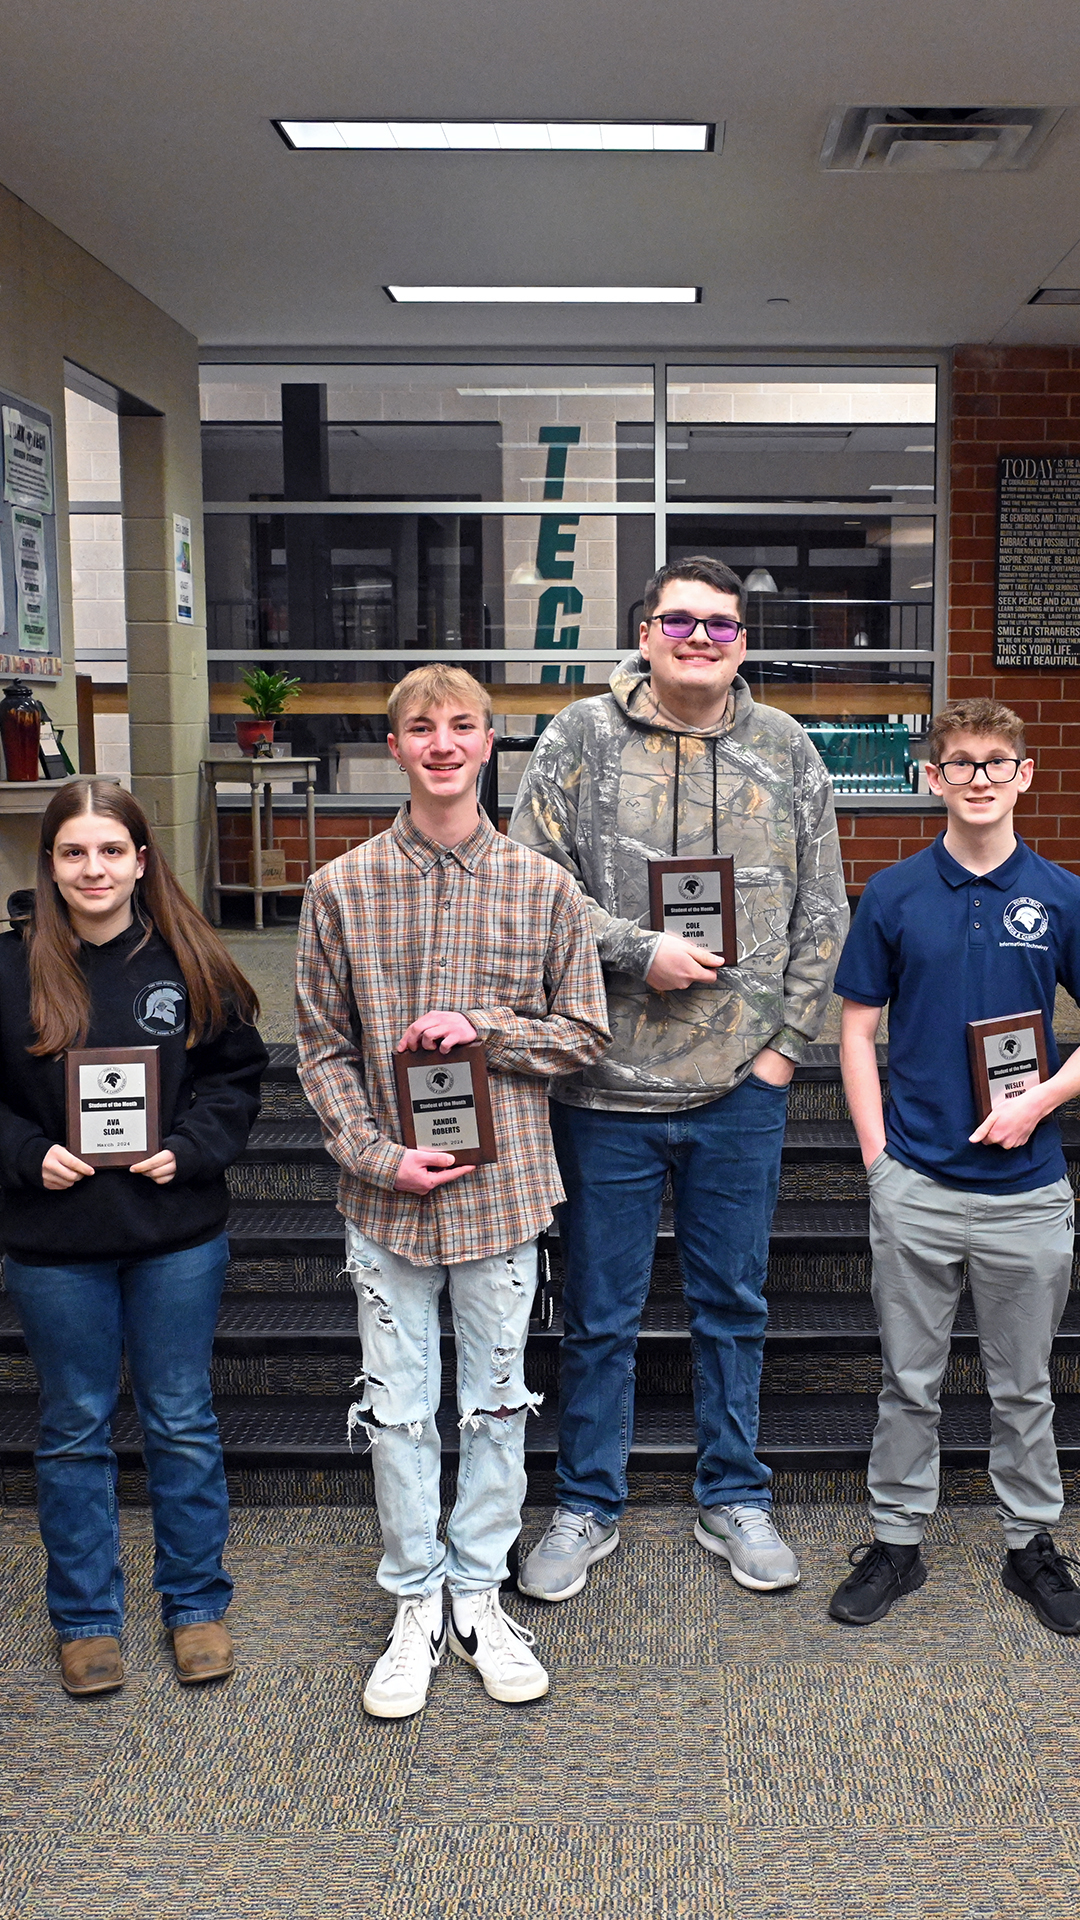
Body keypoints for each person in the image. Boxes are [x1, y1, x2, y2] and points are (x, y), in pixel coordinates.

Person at [510, 557, 848, 1601]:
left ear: (742, 640)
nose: (702, 640)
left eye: (722, 627)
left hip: (741, 1085)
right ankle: (586, 1504)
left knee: (732, 1302)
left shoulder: (785, 747)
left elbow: (822, 909)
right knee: (600, 1311)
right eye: (681, 623)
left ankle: (734, 1495)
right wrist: (631, 949)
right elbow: (535, 886)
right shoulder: (578, 737)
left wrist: (786, 1048)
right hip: (604, 1082)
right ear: (645, 633)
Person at [295, 664, 609, 1718]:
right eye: (420, 728)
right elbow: (322, 1052)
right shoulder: (339, 888)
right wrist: (381, 1157)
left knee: (495, 1405)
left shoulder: (544, 888)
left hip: (503, 1191)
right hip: (386, 1201)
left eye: (461, 726)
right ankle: (414, 1598)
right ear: (395, 747)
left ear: (490, 743)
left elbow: (584, 1036)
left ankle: (479, 1589)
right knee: (397, 1412)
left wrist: (487, 1028)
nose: (442, 743)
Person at [0, 778, 267, 1695]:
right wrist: (27, 1152)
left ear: (142, 861)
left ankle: (195, 1606)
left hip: (173, 1235)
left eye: (111, 851)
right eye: (73, 852)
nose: (93, 869)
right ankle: (84, 1618)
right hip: (54, 1242)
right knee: (74, 1428)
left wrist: (190, 1148)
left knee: (181, 1421)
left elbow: (236, 1080)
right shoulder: (8, 969)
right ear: (51, 864)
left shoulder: (187, 962)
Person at [829, 696, 1080, 1634]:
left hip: (1027, 1193)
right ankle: (897, 1540)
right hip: (918, 1185)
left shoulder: (1060, 894)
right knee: (909, 1380)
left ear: (1025, 777)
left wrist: (1041, 1101)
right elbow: (857, 1030)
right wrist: (876, 1156)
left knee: (1024, 1385)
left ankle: (1031, 1544)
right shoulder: (893, 894)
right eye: (960, 763)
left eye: (995, 762)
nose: (979, 777)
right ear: (930, 779)